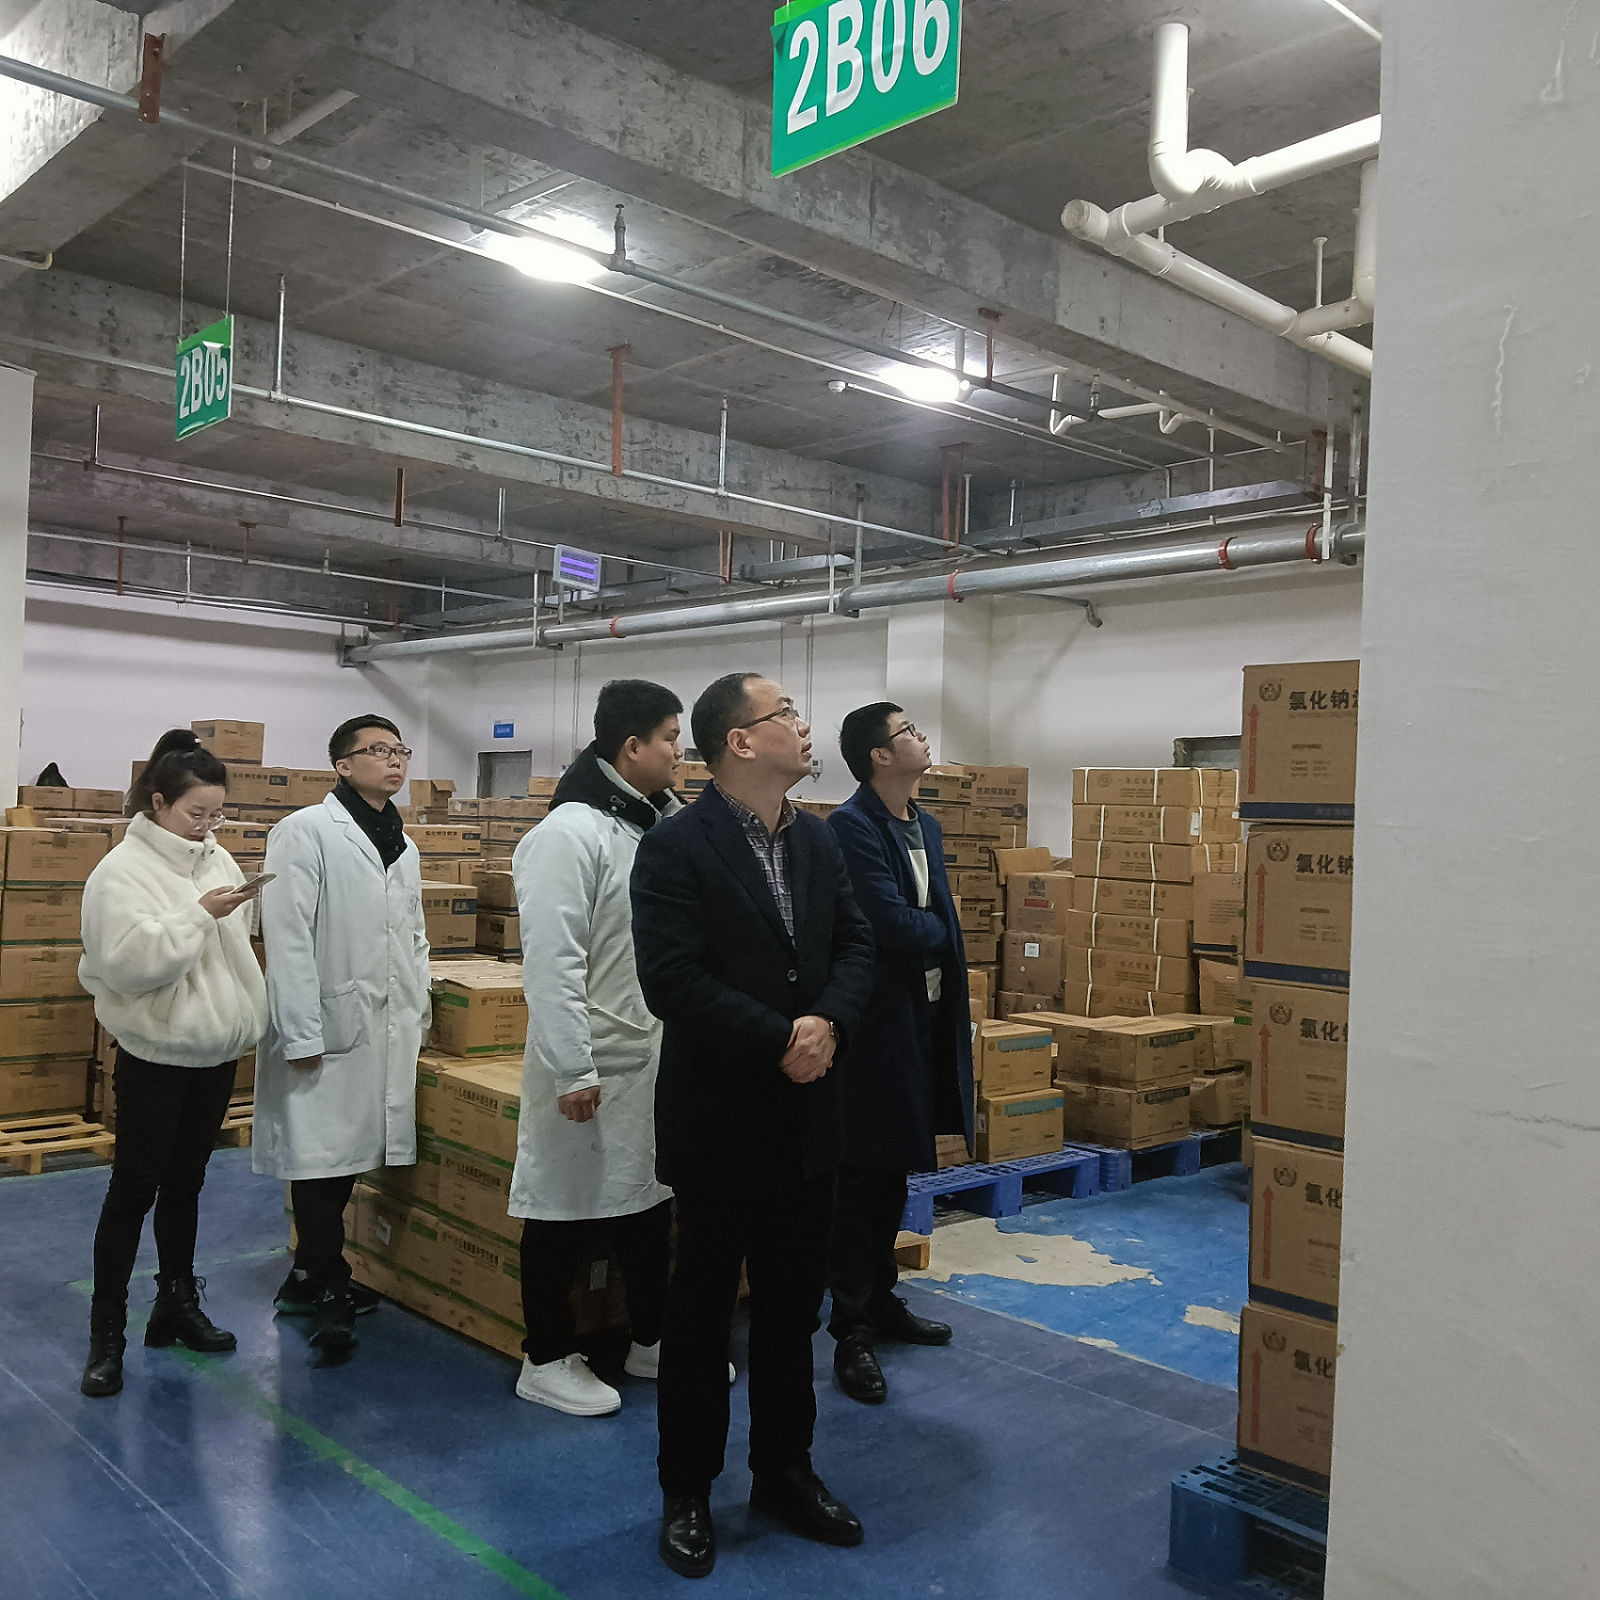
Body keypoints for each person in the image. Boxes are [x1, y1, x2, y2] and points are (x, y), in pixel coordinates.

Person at [631, 672, 875, 1580]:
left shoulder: (817, 839)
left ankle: (784, 1473)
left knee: (791, 1313)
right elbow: (671, 979)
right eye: (787, 715)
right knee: (702, 1319)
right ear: (740, 741)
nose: (804, 729)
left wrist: (830, 1025)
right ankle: (688, 1491)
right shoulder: (675, 846)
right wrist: (783, 1037)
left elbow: (855, 945)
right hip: (721, 1117)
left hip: (810, 1116)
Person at [509, 680, 684, 1417]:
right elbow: (553, 962)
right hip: (595, 1056)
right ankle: (545, 1356)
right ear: (631, 746)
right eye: (670, 739)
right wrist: (572, 1066)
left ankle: (651, 1338)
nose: (679, 754)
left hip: (649, 1051)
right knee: (565, 1208)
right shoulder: (568, 833)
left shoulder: (654, 823)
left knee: (646, 1198)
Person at [77, 729, 270, 1398]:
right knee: (133, 1190)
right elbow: (126, 965)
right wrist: (197, 916)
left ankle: (176, 1303)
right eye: (196, 813)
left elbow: (232, 951)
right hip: (155, 1054)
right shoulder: (120, 872)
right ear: (158, 802)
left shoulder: (215, 858)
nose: (207, 826)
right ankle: (106, 1335)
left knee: (187, 1184)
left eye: (217, 813)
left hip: (214, 1051)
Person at [252, 715, 430, 1354]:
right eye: (378, 750)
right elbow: (288, 935)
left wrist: (419, 1008)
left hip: (383, 1022)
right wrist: (301, 1032)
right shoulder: (304, 831)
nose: (394, 761)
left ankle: (309, 1275)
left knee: (347, 1156)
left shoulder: (402, 845)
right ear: (343, 765)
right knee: (320, 1160)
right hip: (326, 1024)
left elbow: (414, 936)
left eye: (400, 750)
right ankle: (327, 1281)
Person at [825, 704, 974, 1404]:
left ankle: (882, 1298)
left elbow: (924, 920)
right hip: (877, 1022)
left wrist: (933, 928)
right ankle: (849, 1328)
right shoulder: (852, 827)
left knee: (894, 1170)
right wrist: (940, 928)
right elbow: (886, 922)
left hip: (925, 1013)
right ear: (879, 756)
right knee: (861, 1173)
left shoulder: (926, 825)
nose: (921, 736)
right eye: (907, 731)